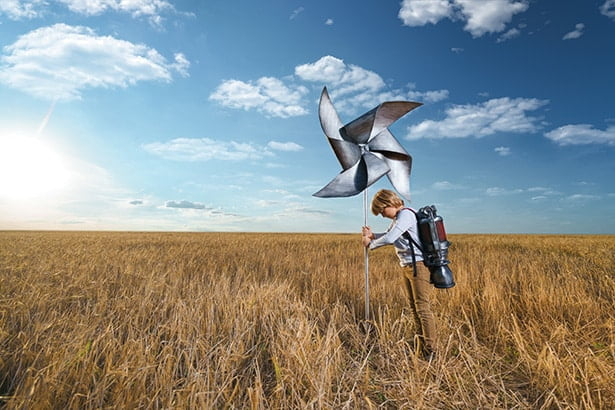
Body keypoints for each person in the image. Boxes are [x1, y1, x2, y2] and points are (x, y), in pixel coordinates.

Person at [361, 189, 437, 361]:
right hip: (408, 266)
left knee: (423, 309)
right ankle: (421, 344)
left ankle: (431, 350)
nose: (381, 215)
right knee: (414, 307)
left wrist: (370, 244)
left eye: (381, 210)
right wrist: (372, 235)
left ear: (389, 203)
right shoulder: (398, 218)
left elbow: (390, 238)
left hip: (418, 266)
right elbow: (391, 236)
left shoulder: (406, 215)